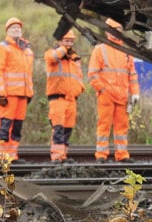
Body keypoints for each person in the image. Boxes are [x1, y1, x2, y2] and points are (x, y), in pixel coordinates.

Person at [88, 19, 141, 162]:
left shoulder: (126, 51)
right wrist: (103, 90)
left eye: (118, 30)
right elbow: (92, 74)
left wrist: (135, 92)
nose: (116, 33)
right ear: (107, 31)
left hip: (122, 96)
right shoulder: (100, 49)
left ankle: (122, 155)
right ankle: (101, 155)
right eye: (113, 30)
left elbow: (132, 74)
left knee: (122, 127)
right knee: (104, 125)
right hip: (107, 96)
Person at [0, 17, 34, 163]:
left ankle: (11, 156)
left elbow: (28, 73)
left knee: (16, 129)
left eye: (18, 27)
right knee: (4, 127)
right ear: (7, 30)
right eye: (13, 27)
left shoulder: (26, 50)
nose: (16, 29)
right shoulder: (2, 48)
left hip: (23, 95)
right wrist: (1, 93)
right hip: (8, 95)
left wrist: (30, 92)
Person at [44, 28, 85, 162]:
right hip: (58, 99)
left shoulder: (75, 59)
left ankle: (63, 156)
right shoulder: (52, 54)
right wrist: (63, 49)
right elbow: (53, 57)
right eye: (66, 41)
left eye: (71, 41)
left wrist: (79, 90)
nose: (69, 44)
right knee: (58, 129)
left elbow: (79, 77)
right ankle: (56, 157)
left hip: (72, 99)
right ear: (60, 41)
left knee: (67, 129)